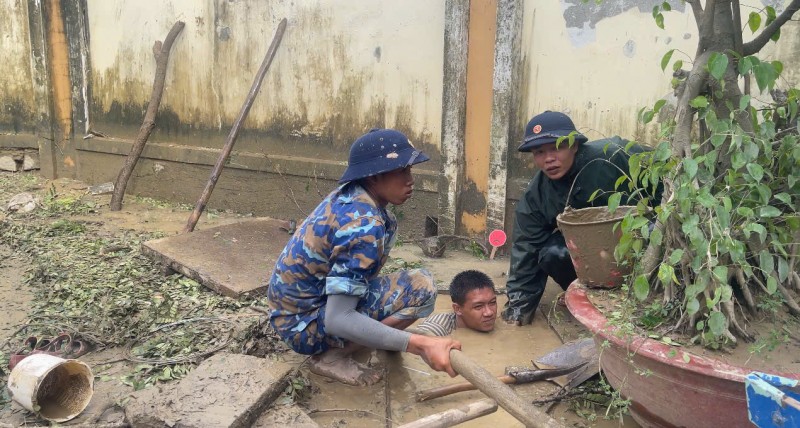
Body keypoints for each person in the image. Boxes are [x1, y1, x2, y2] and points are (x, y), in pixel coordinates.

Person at [267, 128, 461, 386]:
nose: (410, 179)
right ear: (374, 176)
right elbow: (338, 318)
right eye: (402, 170)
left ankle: (361, 339)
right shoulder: (364, 225)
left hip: (293, 313)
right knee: (421, 287)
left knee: (409, 286)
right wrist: (419, 344)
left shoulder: (353, 197)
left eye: (409, 170)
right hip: (304, 327)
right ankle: (333, 357)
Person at [502, 111, 662, 325]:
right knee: (552, 253)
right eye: (539, 152)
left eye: (557, 148)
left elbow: (666, 177)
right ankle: (590, 297)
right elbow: (526, 247)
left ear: (575, 145)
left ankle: (653, 298)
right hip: (592, 252)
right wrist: (518, 308)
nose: (549, 159)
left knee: (655, 230)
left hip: (638, 240)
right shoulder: (537, 195)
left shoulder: (616, 156)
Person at [416, 270, 498, 336]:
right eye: (478, 306)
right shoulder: (437, 328)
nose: (489, 312)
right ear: (457, 309)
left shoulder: (492, 321)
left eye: (493, 302)